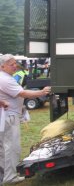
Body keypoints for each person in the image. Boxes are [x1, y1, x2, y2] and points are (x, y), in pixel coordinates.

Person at [0, 54, 51, 184]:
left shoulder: (5, 77)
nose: (15, 66)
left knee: (4, 147)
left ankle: (5, 173)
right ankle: (10, 177)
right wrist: (42, 92)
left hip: (7, 115)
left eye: (15, 63)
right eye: (12, 64)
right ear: (2, 66)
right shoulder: (5, 79)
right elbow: (22, 93)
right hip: (9, 117)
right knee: (12, 147)